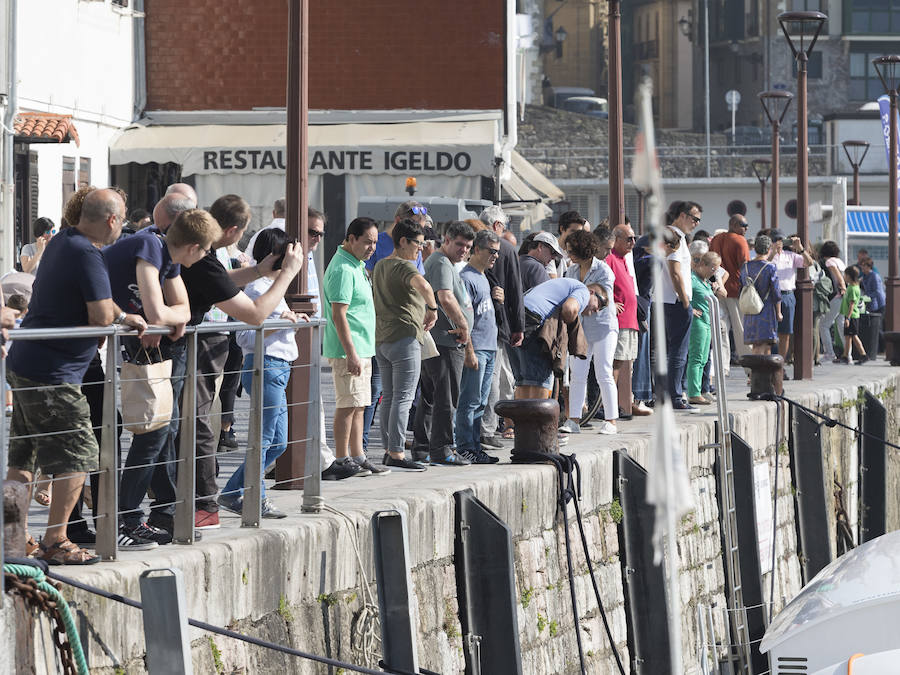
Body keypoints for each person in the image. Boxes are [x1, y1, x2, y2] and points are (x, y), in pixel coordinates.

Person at [5, 189, 147, 564]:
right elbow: (101, 314)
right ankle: (56, 541)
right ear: (113, 220)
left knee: (24, 456)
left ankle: (12, 540)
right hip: (54, 372)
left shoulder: (63, 240)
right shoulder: (85, 252)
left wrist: (116, 315)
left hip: (27, 364)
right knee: (81, 454)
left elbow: (99, 306)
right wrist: (124, 317)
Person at [179, 194, 304, 530]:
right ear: (234, 230)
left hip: (271, 366)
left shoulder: (211, 258)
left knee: (275, 441)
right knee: (201, 428)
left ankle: (232, 493)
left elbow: (224, 283)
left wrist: (264, 274)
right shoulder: (205, 258)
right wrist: (286, 275)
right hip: (252, 362)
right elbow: (253, 320)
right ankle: (229, 497)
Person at [110, 209, 221, 544]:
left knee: (161, 427)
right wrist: (162, 318)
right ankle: (128, 518)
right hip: (87, 339)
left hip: (125, 339)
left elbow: (183, 309)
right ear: (192, 246)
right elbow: (161, 313)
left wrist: (163, 318)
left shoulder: (169, 259)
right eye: (205, 251)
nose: (205, 257)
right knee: (154, 431)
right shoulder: (149, 246)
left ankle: (156, 514)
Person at [218, 229, 309, 517]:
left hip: (277, 368)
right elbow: (245, 336)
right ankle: (255, 497)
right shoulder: (257, 289)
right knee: (266, 439)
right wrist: (283, 323)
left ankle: (233, 492)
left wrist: (291, 320)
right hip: (264, 366)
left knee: (278, 442)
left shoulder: (271, 288)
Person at [372, 218, 437, 472]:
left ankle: (390, 448)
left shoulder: (380, 266)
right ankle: (397, 452)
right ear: (403, 241)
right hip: (405, 337)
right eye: (418, 244)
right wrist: (432, 309)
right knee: (403, 397)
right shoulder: (405, 267)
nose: (420, 249)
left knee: (388, 397)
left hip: (383, 339)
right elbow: (423, 285)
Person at [322, 217, 384, 477]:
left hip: (363, 346)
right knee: (347, 404)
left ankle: (357, 455)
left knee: (360, 404)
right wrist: (351, 353)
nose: (372, 248)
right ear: (351, 239)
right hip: (349, 349)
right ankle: (341, 457)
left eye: (375, 243)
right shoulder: (343, 270)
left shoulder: (356, 265)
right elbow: (339, 315)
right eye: (367, 242)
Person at [413, 221, 476, 466]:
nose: (463, 250)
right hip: (445, 340)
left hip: (441, 340)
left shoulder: (446, 264)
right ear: (446, 240)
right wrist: (463, 325)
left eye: (468, 246)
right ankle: (442, 448)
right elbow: (445, 297)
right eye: (459, 244)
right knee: (446, 397)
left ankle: (423, 448)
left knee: (431, 396)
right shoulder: (440, 263)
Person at [561, 229, 617, 435]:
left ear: (583, 250)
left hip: (603, 326)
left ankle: (611, 420)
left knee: (603, 372)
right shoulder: (572, 271)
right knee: (577, 374)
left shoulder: (603, 270)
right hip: (581, 327)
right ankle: (573, 419)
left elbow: (604, 300)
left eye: (571, 251)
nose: (568, 255)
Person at [455, 230, 502, 463]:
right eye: (491, 251)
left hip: (490, 347)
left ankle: (475, 446)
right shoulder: (467, 278)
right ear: (477, 250)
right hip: (477, 347)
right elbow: (463, 320)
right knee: (470, 400)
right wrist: (469, 350)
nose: (495, 256)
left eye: (497, 252)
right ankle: (465, 445)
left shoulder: (484, 276)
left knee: (482, 402)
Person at [480, 205, 524, 447]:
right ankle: (486, 429)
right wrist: (518, 326)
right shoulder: (506, 248)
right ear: (497, 226)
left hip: (474, 321)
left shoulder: (471, 245)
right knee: (492, 377)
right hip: (498, 322)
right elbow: (516, 290)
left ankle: (477, 428)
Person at [514, 277, 593, 403]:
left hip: (516, 319)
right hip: (534, 321)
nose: (595, 311)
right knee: (539, 382)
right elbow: (570, 309)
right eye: (600, 304)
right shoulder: (583, 290)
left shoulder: (561, 285)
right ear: (592, 292)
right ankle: (536, 422)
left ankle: (521, 423)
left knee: (523, 383)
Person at [662, 200, 702, 409]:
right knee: (678, 351)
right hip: (675, 301)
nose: (696, 223)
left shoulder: (676, 236)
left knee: (672, 351)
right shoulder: (674, 236)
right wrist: (685, 301)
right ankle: (675, 396)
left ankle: (672, 393)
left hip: (668, 299)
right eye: (694, 218)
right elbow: (675, 271)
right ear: (682, 215)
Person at [607, 224, 648, 418]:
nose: (633, 242)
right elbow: (602, 285)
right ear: (616, 239)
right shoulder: (610, 259)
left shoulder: (625, 259)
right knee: (616, 363)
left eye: (634, 239)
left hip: (631, 320)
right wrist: (611, 303)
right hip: (620, 321)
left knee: (627, 364)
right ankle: (611, 403)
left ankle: (620, 403)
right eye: (629, 239)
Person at [709, 214, 751, 362]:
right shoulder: (740, 240)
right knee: (741, 329)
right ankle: (748, 365)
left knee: (721, 329)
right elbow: (745, 266)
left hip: (717, 290)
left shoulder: (715, 239)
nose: (746, 228)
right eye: (743, 225)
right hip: (736, 291)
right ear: (733, 224)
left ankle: (721, 366)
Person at [769, 230, 814, 361]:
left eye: (781, 241)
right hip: (771, 296)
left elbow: (809, 263)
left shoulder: (790, 255)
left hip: (787, 294)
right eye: (776, 241)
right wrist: (772, 252)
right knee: (769, 333)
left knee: (785, 333)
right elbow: (764, 265)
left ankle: (780, 365)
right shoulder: (767, 255)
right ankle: (769, 363)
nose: (779, 244)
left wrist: (800, 248)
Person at [686, 251, 721, 405]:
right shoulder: (692, 279)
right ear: (703, 265)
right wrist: (689, 309)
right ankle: (693, 392)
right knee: (696, 357)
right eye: (713, 269)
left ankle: (698, 390)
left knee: (704, 359)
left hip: (707, 321)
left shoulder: (705, 281)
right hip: (698, 323)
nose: (714, 272)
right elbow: (680, 294)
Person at [741, 235, 782, 355]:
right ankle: (758, 372)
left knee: (756, 344)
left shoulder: (745, 266)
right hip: (766, 308)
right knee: (764, 344)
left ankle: (759, 372)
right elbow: (776, 292)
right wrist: (779, 312)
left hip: (750, 308)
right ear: (769, 249)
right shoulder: (770, 267)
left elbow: (741, 286)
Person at [631, 235, 654, 407]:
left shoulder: (631, 258)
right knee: (641, 352)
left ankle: (635, 396)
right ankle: (639, 396)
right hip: (642, 308)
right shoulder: (651, 261)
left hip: (633, 306)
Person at [818, 241, 847, 363]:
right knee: (841, 324)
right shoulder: (840, 261)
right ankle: (848, 352)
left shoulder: (829, 262)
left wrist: (842, 286)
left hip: (836, 295)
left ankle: (829, 353)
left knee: (824, 325)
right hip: (843, 297)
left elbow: (838, 276)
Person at [839, 266, 868, 364]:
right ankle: (845, 355)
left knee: (853, 336)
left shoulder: (853, 289)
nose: (844, 277)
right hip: (850, 316)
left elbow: (852, 305)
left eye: (845, 275)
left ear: (849, 276)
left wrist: (848, 317)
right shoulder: (850, 287)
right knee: (848, 337)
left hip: (852, 316)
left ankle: (863, 354)